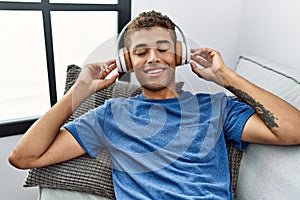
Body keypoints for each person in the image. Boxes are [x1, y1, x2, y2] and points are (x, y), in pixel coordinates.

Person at [9, 10, 300, 200]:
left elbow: (294, 130)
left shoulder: (217, 107)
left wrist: (225, 77)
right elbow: (24, 158)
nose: (152, 58)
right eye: (141, 52)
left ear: (179, 56)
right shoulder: (111, 115)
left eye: (163, 48)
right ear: (128, 62)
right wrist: (81, 89)